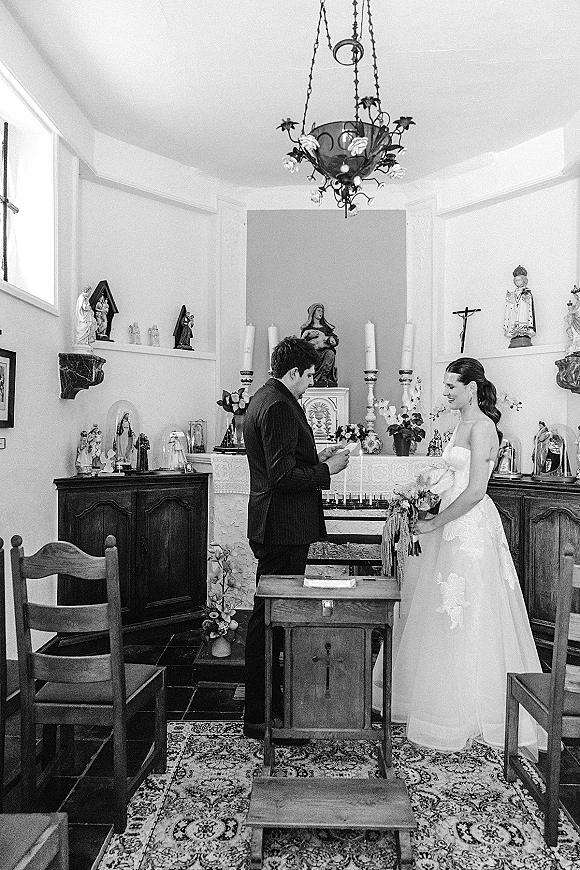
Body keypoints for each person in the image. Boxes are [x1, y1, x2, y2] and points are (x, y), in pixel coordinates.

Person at [372, 357, 545, 755]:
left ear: (472, 388)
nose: (446, 392)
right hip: (449, 521)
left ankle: (467, 709)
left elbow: (477, 491)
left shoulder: (484, 427)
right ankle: (436, 699)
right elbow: (454, 477)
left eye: (452, 386)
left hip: (468, 528)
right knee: (441, 612)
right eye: (445, 385)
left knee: (467, 611)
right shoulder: (457, 425)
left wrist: (434, 523)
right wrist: (426, 492)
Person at [243, 336, 350, 740]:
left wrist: (317, 457)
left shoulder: (266, 397)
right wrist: (329, 472)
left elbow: (283, 462)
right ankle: (263, 712)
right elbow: (282, 476)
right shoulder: (279, 406)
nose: (310, 384)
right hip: (283, 526)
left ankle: (266, 708)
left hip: (278, 523)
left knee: (270, 614)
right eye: (308, 377)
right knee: (270, 616)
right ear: (292, 373)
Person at [300, 303, 339, 387]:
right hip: (311, 352)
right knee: (307, 357)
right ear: (313, 312)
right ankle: (311, 377)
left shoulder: (326, 327)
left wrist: (331, 340)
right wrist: (310, 336)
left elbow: (334, 338)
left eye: (322, 311)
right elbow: (302, 342)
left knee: (330, 353)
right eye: (318, 310)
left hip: (324, 351)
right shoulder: (307, 328)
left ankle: (324, 377)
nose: (321, 313)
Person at [503, 265, 536, 347]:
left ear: (524, 280)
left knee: (522, 318)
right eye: (516, 280)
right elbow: (512, 302)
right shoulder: (514, 292)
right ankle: (516, 331)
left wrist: (525, 297)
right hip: (516, 310)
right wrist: (509, 297)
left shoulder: (526, 291)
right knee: (514, 318)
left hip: (523, 311)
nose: (517, 282)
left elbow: (528, 303)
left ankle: (523, 331)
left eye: (519, 280)